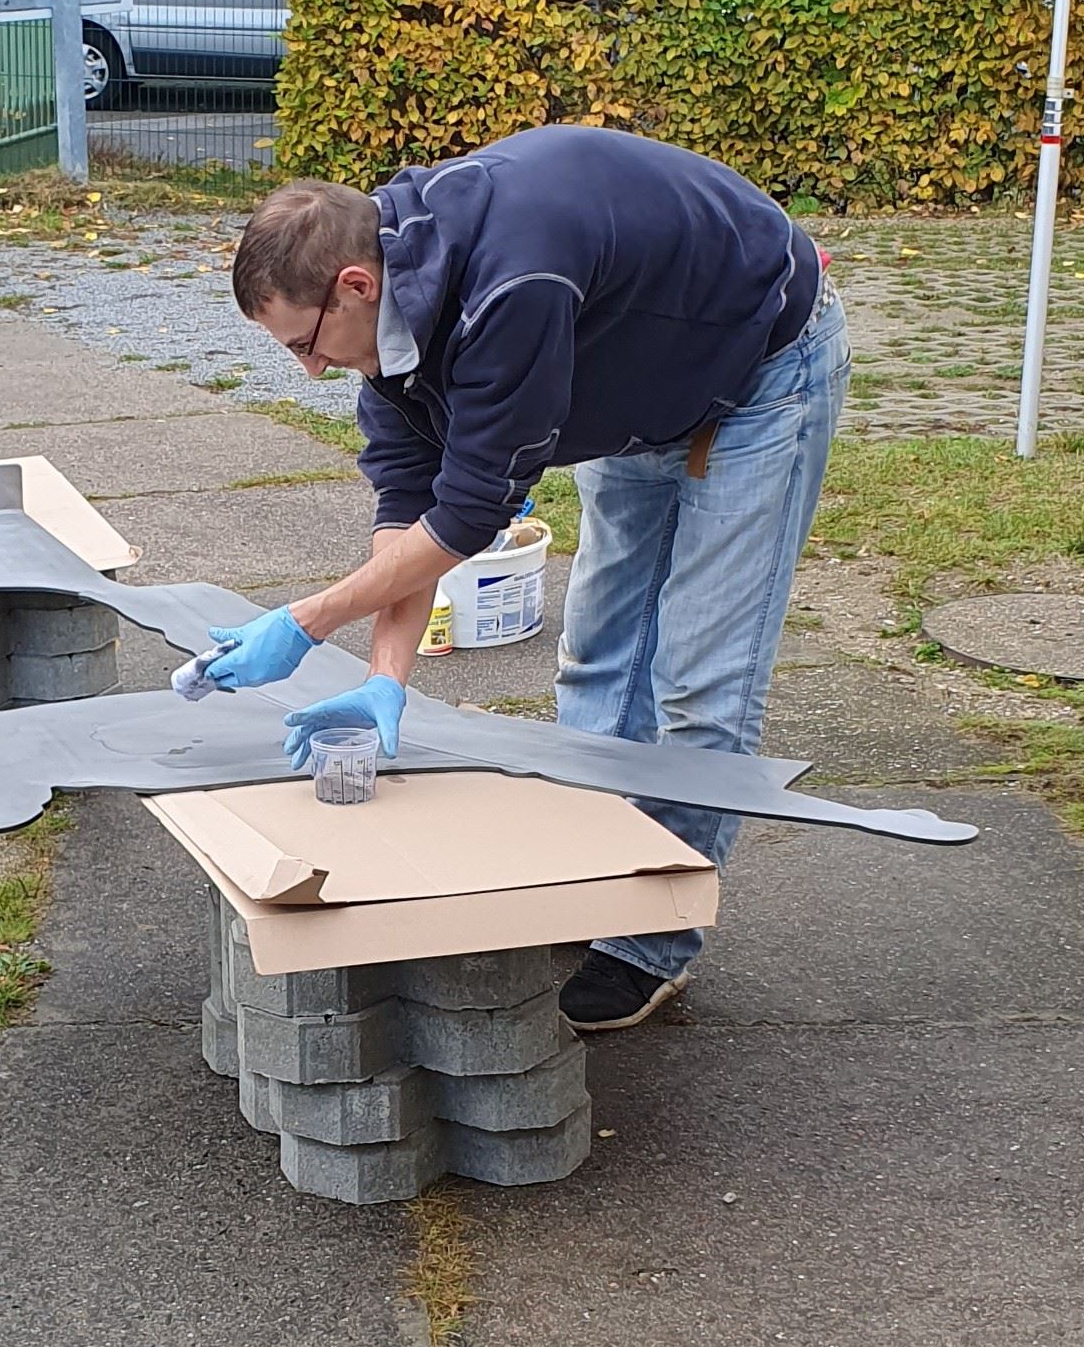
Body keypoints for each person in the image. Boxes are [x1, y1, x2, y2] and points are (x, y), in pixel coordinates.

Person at [208, 125, 850, 1032]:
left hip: (758, 369)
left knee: (699, 683)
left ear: (355, 284)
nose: (309, 367)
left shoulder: (510, 287)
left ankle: (648, 942)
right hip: (634, 385)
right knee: (600, 659)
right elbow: (411, 509)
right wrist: (384, 677)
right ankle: (591, 881)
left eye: (304, 343)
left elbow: (468, 516)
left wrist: (307, 620)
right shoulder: (391, 322)